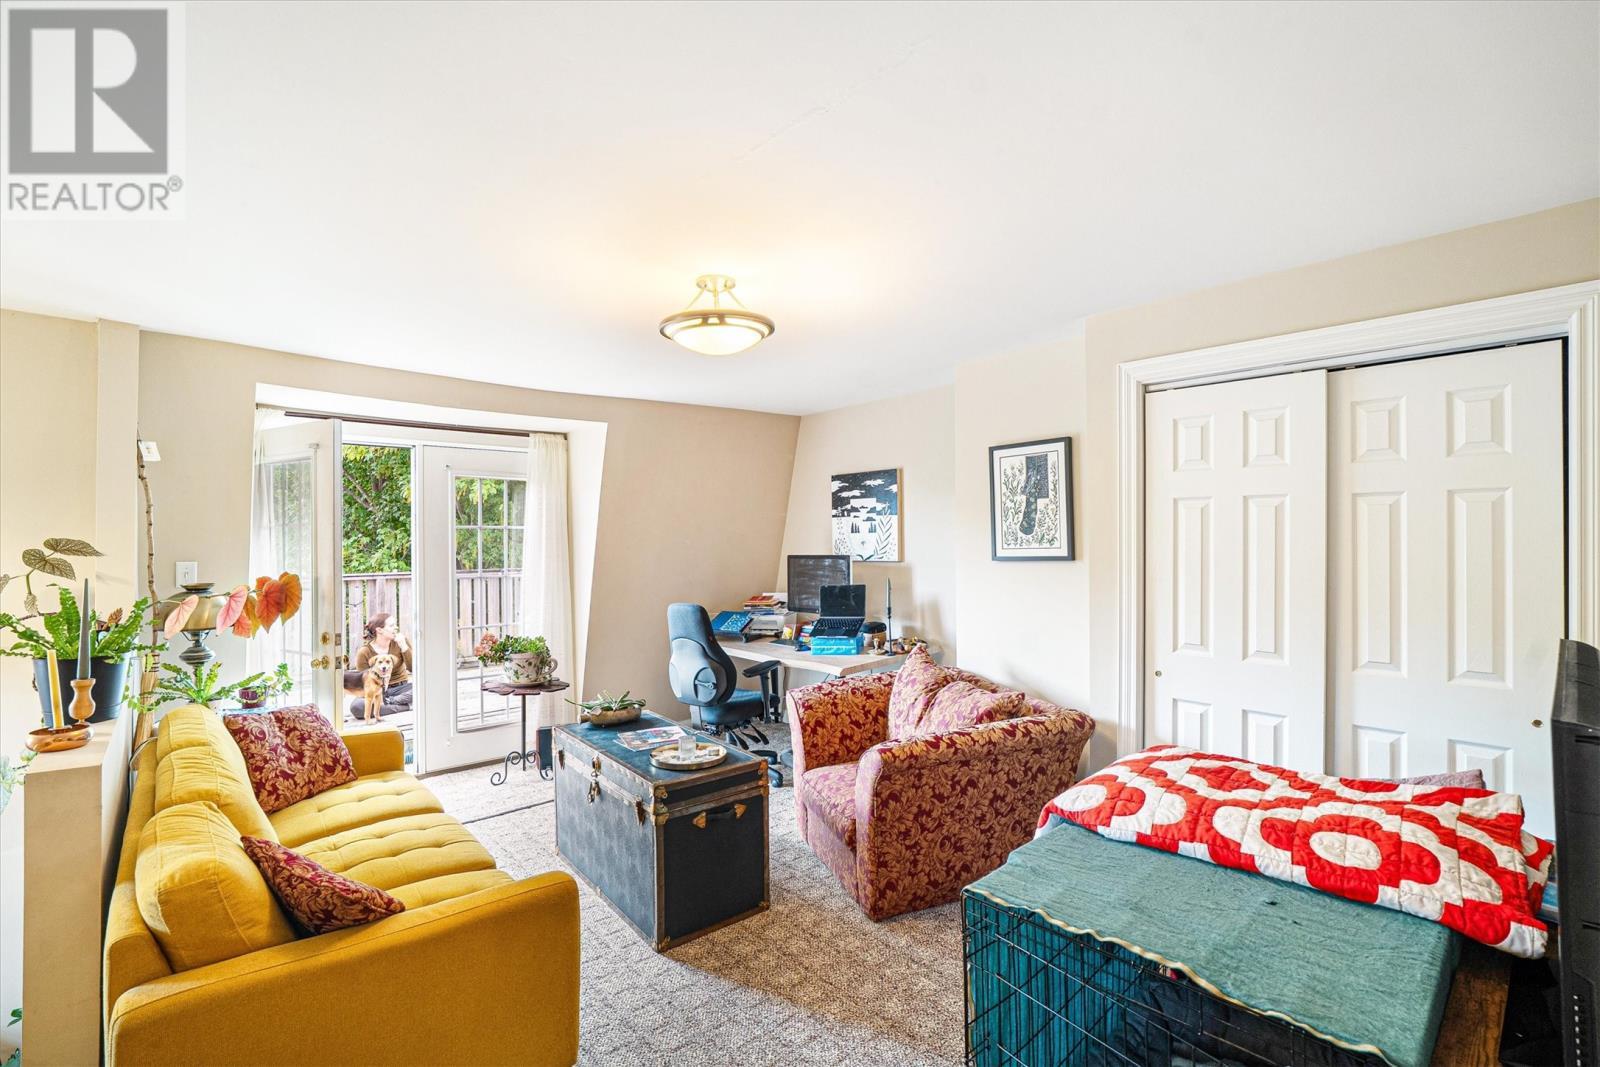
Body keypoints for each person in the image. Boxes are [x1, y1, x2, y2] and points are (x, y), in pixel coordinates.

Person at [348, 612, 415, 721]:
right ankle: (406, 706)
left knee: (425, 688)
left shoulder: (401, 642)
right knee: (357, 707)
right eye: (392, 625)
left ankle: (391, 701)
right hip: (376, 689)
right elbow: (365, 682)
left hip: (401, 688)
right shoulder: (364, 652)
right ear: (379, 630)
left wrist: (403, 646)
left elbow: (414, 669)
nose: (396, 628)